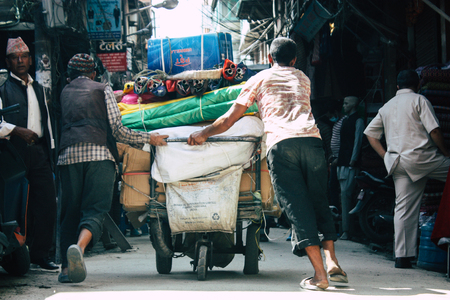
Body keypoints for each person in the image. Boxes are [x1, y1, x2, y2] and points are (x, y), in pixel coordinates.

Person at [187, 37, 348, 290]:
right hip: (313, 142)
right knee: (319, 202)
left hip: (282, 144)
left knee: (298, 207)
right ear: (295, 60)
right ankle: (332, 261)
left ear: (270, 58)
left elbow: (230, 118)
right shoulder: (303, 78)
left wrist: (203, 133)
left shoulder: (259, 79)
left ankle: (320, 276)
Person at [57, 53, 168, 283]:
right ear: (94, 73)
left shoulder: (64, 92)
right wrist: (149, 138)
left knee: (69, 212)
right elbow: (117, 130)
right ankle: (79, 247)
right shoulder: (102, 89)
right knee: (95, 210)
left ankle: (66, 269)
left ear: (69, 75)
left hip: (67, 156)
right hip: (99, 155)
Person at [364, 69, 450, 268]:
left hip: (398, 162)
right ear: (418, 84)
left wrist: (385, 156)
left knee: (403, 209)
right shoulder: (419, 100)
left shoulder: (387, 106)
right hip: (424, 158)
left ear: (397, 86)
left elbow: (370, 134)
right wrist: (446, 152)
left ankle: (402, 257)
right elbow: (435, 130)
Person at [0, 37, 58, 270]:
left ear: (31, 61)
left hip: (40, 153)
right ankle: (15, 252)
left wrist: (52, 151)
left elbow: (49, 124)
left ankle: (41, 255)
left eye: (23, 57)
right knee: (17, 205)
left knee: (45, 203)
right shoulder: (3, 91)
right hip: (13, 155)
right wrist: (17, 130)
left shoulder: (41, 90)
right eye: (15, 58)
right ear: (8, 62)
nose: (20, 61)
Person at [336, 96, 364, 240]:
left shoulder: (357, 120)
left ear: (353, 105)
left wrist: (353, 159)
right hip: (342, 161)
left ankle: (348, 230)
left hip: (349, 163)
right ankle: (346, 229)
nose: (344, 106)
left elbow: (357, 141)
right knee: (344, 196)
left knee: (346, 195)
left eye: (346, 103)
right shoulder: (345, 120)